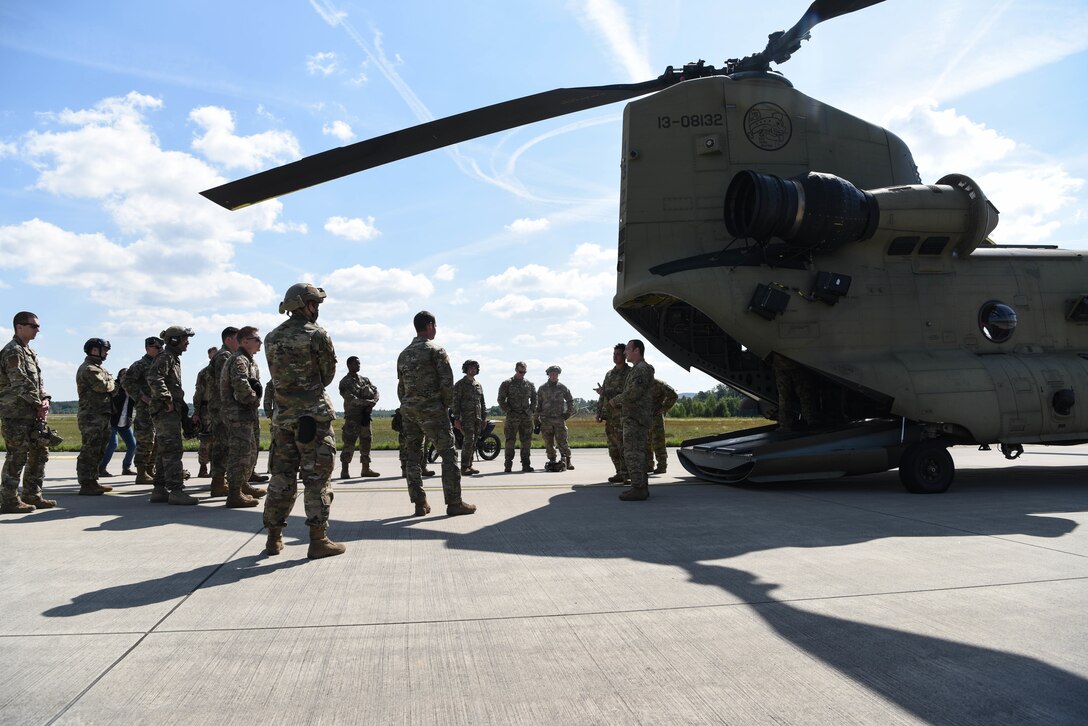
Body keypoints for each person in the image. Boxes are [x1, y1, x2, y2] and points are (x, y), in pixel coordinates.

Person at [262, 283, 345, 559]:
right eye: (315, 305)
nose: (317, 310)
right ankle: (318, 539)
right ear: (304, 305)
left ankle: (273, 538)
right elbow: (327, 374)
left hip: (283, 418)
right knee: (317, 479)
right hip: (313, 417)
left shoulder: (272, 337)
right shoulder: (317, 335)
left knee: (281, 478)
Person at [396, 311, 476, 517]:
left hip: (409, 412)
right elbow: (447, 384)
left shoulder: (403, 354)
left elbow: (401, 388)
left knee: (413, 458)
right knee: (448, 455)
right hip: (433, 411)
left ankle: (419, 503)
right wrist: (444, 407)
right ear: (430, 325)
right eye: (435, 325)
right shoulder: (436, 351)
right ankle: (454, 502)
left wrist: (408, 405)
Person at [0, 311, 55, 512]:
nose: (37, 329)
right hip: (16, 414)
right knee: (17, 456)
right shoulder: (12, 351)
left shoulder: (28, 352)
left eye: (38, 326)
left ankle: (32, 495)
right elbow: (20, 383)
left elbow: (37, 382)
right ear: (19, 327)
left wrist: (46, 399)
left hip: (32, 413)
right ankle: (8, 500)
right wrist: (38, 404)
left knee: (40, 452)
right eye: (33, 326)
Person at [146, 326, 199, 505]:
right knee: (173, 450)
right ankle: (176, 491)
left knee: (164, 450)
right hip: (165, 411)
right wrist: (166, 399)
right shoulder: (166, 357)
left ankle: (159, 489)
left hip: (171, 410)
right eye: (185, 339)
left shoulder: (172, 358)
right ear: (174, 340)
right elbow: (154, 377)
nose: (187, 342)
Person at [219, 325, 266, 508]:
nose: (260, 342)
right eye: (257, 339)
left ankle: (242, 485)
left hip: (245, 414)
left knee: (248, 452)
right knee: (240, 454)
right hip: (238, 415)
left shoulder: (248, 360)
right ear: (245, 341)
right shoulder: (239, 360)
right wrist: (254, 399)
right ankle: (234, 494)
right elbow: (241, 388)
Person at [610, 339, 655, 501]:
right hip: (634, 417)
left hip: (635, 418)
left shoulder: (641, 370)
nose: (624, 353)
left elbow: (633, 393)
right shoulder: (637, 369)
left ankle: (638, 488)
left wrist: (617, 399)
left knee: (633, 453)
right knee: (638, 453)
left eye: (628, 349)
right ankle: (640, 486)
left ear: (637, 350)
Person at [75, 338, 116, 496]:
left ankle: (93, 480)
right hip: (91, 416)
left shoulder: (99, 369)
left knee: (99, 449)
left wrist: (110, 384)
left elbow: (112, 388)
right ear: (94, 350)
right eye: (104, 350)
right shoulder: (89, 369)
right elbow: (103, 386)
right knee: (90, 449)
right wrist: (111, 382)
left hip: (101, 414)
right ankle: (86, 483)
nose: (106, 353)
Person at [122, 337, 163, 484]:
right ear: (148, 348)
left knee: (157, 441)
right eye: (157, 347)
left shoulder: (158, 364)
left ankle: (149, 470)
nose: (160, 350)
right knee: (146, 440)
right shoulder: (140, 364)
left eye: (161, 347)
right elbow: (126, 381)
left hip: (158, 409)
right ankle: (141, 473)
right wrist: (141, 397)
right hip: (145, 409)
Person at [207, 327, 239, 496]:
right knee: (222, 445)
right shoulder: (224, 356)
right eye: (237, 338)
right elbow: (225, 383)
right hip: (222, 408)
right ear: (228, 340)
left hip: (222, 407)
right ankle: (218, 482)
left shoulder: (226, 355)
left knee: (224, 445)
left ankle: (221, 481)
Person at [338, 356, 380, 479]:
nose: (358, 366)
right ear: (349, 365)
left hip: (365, 417)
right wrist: (368, 403)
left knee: (366, 442)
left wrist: (373, 402)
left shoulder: (364, 380)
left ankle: (365, 469)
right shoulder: (345, 382)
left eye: (359, 364)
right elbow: (351, 399)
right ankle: (345, 470)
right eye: (356, 364)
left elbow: (376, 391)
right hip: (353, 417)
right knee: (349, 443)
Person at [595, 343, 630, 484]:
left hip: (623, 416)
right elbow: (603, 395)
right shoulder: (609, 374)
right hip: (610, 417)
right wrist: (598, 412)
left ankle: (627, 474)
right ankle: (619, 473)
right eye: (614, 354)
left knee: (624, 447)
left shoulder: (630, 373)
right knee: (613, 447)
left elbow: (629, 394)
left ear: (624, 355)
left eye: (618, 354)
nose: (615, 356)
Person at [497, 361, 536, 472]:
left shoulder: (529, 384)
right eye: (520, 371)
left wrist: (531, 410)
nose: (522, 373)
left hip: (526, 417)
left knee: (526, 441)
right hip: (512, 417)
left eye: (524, 371)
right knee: (510, 441)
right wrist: (509, 410)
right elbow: (501, 399)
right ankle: (508, 465)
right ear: (516, 370)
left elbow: (534, 399)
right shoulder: (507, 383)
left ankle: (526, 464)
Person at [536, 365, 575, 471]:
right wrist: (536, 419)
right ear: (548, 374)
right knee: (548, 442)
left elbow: (570, 400)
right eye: (552, 374)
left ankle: (567, 460)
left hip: (559, 419)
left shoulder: (562, 388)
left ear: (558, 375)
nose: (554, 376)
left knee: (562, 441)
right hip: (546, 420)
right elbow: (538, 405)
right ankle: (552, 460)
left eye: (556, 374)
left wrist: (568, 413)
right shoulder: (542, 388)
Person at [100, 366, 137, 477]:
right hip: (112, 422)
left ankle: (126, 467)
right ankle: (101, 468)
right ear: (119, 377)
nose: (126, 377)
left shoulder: (132, 388)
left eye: (128, 374)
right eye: (124, 375)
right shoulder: (114, 388)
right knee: (113, 444)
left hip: (125, 422)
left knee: (132, 445)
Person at [452, 359, 486, 475]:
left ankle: (469, 465)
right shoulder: (460, 384)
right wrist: (456, 418)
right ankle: (464, 466)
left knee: (474, 442)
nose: (473, 369)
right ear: (466, 369)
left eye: (475, 368)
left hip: (477, 418)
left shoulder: (478, 385)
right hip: (465, 418)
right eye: (470, 367)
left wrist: (484, 418)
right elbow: (455, 402)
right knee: (468, 441)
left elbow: (482, 402)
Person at [191, 346, 217, 478]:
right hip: (206, 409)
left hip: (220, 410)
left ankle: (215, 468)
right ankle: (203, 467)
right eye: (213, 354)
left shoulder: (223, 370)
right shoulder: (204, 373)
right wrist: (196, 412)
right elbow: (198, 393)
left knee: (218, 440)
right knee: (206, 440)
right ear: (209, 356)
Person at [649, 379, 679, 474]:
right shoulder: (640, 383)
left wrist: (664, 408)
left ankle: (662, 466)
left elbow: (673, 395)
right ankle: (648, 466)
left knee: (658, 442)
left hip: (656, 418)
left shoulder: (659, 384)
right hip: (643, 418)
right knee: (645, 443)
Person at [262, 379, 276, 473]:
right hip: (279, 417)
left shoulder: (274, 380)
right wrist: (270, 415)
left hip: (279, 415)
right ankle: (271, 467)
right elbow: (267, 400)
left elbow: (267, 400)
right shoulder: (273, 381)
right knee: (275, 444)